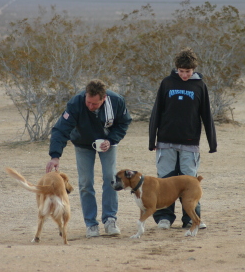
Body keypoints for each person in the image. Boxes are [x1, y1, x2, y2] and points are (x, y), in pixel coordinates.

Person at [46, 79, 132, 238]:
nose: (90, 106)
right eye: (88, 102)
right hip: (83, 143)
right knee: (86, 182)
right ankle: (91, 224)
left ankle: (110, 220)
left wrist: (111, 140)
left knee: (110, 178)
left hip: (107, 143)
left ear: (104, 98)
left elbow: (124, 122)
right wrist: (55, 156)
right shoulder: (76, 103)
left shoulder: (116, 101)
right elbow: (60, 129)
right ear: (85, 95)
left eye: (94, 104)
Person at [148, 47, 217, 230]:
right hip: (165, 141)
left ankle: (192, 219)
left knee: (190, 181)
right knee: (164, 180)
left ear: (193, 69)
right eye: (181, 71)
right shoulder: (167, 83)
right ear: (176, 68)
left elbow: (206, 115)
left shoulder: (200, 86)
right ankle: (164, 218)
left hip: (190, 142)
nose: (184, 75)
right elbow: (156, 112)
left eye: (187, 71)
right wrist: (151, 140)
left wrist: (212, 143)